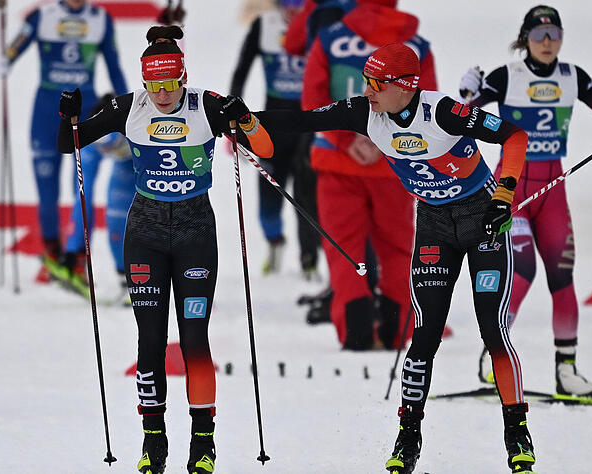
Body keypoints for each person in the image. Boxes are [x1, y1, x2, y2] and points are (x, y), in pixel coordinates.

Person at [255, 42, 536, 474]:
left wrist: (504, 193)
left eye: (376, 83)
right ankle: (408, 437)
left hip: (480, 219)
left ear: (405, 87)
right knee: (422, 334)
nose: (367, 91)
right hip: (433, 227)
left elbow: (514, 136)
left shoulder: (444, 111)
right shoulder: (366, 112)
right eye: (366, 81)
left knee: (491, 328)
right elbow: (304, 120)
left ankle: (517, 434)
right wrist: (242, 121)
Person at [57, 26, 273, 474]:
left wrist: (245, 119)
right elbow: (68, 144)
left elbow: (265, 147)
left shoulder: (207, 105)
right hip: (146, 234)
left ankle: (203, 441)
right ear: (144, 81)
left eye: (169, 84)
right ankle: (153, 440)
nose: (161, 94)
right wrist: (71, 118)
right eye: (153, 85)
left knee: (194, 339)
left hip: (195, 233)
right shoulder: (127, 106)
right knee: (150, 340)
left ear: (182, 77)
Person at [458, 5, 592, 397]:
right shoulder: (506, 76)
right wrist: (467, 93)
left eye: (555, 35)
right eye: (540, 36)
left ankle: (567, 370)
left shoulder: (571, 76)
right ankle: (493, 353)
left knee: (562, 277)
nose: (548, 43)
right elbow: (464, 119)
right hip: (513, 189)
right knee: (522, 270)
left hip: (553, 189)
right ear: (525, 38)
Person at [298, 0, 437, 350]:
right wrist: (383, 141)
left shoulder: (329, 38)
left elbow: (313, 99)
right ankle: (395, 333)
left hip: (337, 162)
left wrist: (346, 141)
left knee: (343, 249)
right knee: (398, 249)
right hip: (394, 163)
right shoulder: (416, 46)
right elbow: (427, 103)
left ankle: (356, 334)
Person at [1, 0, 128, 277]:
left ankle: (77, 260)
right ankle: (52, 255)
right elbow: (14, 47)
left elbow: (114, 66)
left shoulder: (100, 19)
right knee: (47, 192)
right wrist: (5, 59)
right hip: (47, 112)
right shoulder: (42, 16)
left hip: (85, 111)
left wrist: (128, 109)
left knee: (83, 189)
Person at [229, 0, 321, 277]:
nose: (292, 9)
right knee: (268, 196)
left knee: (307, 197)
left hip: (308, 126)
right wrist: (232, 121)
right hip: (272, 126)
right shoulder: (264, 25)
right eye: (285, 2)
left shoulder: (318, 23)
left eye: (298, 3)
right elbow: (241, 70)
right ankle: (275, 242)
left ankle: (309, 259)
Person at [45, 94, 136, 303]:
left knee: (140, 211)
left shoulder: (136, 127)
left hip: (138, 157)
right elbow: (83, 197)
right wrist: (71, 252)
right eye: (104, 148)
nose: (108, 151)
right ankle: (126, 282)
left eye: (113, 146)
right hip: (122, 161)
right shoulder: (92, 139)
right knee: (114, 216)